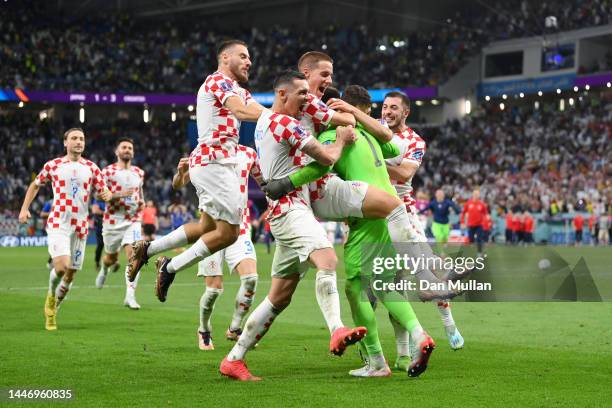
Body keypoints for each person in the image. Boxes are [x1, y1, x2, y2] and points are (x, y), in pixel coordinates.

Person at [220, 70, 365, 381]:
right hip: (289, 210)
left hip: (288, 209)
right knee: (327, 258)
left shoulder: (263, 123)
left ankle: (234, 359)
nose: (307, 100)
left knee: (279, 296)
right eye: (302, 94)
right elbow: (326, 158)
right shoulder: (285, 123)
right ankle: (337, 329)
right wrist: (341, 140)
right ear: (282, 94)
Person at [126, 39, 265, 302]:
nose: (249, 62)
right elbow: (240, 111)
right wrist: (281, 121)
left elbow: (257, 109)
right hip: (215, 162)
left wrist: (281, 116)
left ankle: (147, 248)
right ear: (225, 58)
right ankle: (168, 267)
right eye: (243, 56)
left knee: (206, 226)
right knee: (229, 234)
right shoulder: (218, 81)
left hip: (213, 162)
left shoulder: (237, 88)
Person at [382, 91, 465, 353]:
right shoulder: (374, 130)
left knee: (426, 267)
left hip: (403, 210)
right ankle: (403, 351)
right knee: (392, 280)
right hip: (374, 210)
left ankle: (449, 324)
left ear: (405, 112)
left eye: (394, 108)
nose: (387, 112)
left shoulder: (414, 141)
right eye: (384, 107)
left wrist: (373, 163)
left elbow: (405, 173)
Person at [18, 128, 111, 330]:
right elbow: (35, 185)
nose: (78, 141)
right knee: (61, 267)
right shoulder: (53, 165)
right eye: (74, 138)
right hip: (59, 222)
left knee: (70, 274)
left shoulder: (93, 168)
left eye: (81, 139)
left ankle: (54, 310)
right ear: (65, 143)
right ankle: (51, 295)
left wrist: (106, 195)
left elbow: (105, 191)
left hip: (80, 226)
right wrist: (24, 209)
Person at [173, 145, 262, 351]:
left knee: (251, 279)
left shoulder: (248, 154)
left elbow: (265, 183)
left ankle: (235, 328)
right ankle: (204, 330)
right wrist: (180, 174)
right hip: (211, 228)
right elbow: (178, 185)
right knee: (213, 290)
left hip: (240, 226)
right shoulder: (203, 152)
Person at [95, 138, 145, 310]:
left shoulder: (139, 172)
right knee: (111, 258)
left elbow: (140, 192)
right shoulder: (107, 172)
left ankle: (130, 296)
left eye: (130, 148)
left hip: (133, 220)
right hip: (112, 220)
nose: (127, 150)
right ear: (117, 152)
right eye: (123, 147)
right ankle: (104, 269)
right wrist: (120, 194)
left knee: (135, 255)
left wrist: (142, 202)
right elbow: (98, 195)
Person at [420, 189, 461, 255]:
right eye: (438, 194)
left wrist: (457, 211)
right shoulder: (433, 203)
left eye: (441, 194)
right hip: (436, 224)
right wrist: (419, 212)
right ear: (436, 195)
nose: (439, 195)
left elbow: (455, 208)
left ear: (443, 195)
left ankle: (443, 246)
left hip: (445, 224)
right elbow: (426, 208)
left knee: (445, 238)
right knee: (439, 237)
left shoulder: (447, 202)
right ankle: (441, 253)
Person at [460, 189, 489, 255]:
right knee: (471, 239)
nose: (476, 195)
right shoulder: (468, 203)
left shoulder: (481, 204)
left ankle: (479, 252)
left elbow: (485, 214)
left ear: (479, 196)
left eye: (477, 194)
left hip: (479, 225)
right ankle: (472, 250)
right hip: (471, 225)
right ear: (472, 195)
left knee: (479, 239)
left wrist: (485, 222)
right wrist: (462, 222)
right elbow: (463, 213)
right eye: (474, 194)